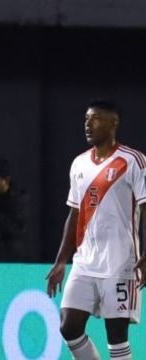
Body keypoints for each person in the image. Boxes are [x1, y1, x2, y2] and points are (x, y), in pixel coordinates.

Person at [46, 99, 146, 360]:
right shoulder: (79, 163)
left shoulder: (133, 160)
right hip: (85, 262)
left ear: (113, 123)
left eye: (96, 119)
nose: (88, 124)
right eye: (86, 119)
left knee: (116, 336)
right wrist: (61, 261)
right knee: (69, 326)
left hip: (121, 262)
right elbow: (74, 213)